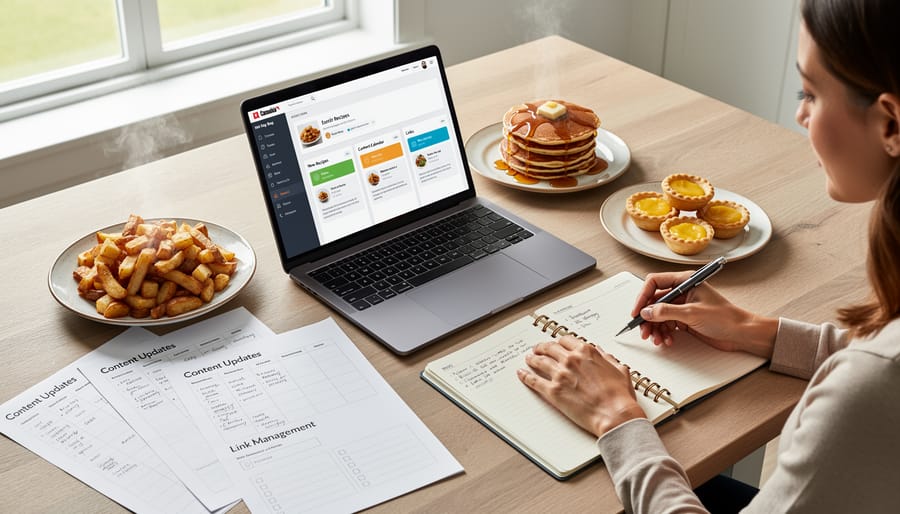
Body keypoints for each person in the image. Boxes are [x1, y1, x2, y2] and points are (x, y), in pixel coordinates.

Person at [516, 0, 900, 511]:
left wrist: (618, 418)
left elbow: (880, 378)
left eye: (809, 92)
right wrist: (758, 331)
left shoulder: (867, 392)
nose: (799, 114)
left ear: (891, 125)